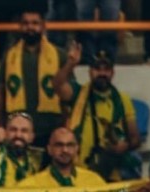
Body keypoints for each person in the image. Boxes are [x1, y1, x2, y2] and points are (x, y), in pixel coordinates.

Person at [55, 43, 141, 182]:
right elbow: (58, 86)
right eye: (97, 69)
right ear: (90, 72)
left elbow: (135, 138)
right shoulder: (78, 94)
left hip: (111, 170)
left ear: (112, 73)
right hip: (79, 168)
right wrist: (70, 63)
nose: (102, 74)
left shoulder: (122, 100)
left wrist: (124, 146)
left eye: (106, 70)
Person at [0, 10, 66, 147]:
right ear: (20, 26)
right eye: (25, 23)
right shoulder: (9, 56)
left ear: (43, 26)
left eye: (35, 23)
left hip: (50, 129)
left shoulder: (59, 55)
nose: (30, 27)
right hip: (18, 132)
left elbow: (68, 94)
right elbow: (0, 92)